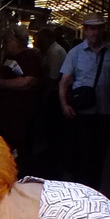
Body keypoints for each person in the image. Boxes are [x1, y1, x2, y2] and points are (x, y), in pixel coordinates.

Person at [59, 15, 110, 189]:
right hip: (82, 113)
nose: (95, 32)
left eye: (99, 28)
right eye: (92, 28)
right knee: (81, 154)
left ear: (103, 30)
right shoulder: (75, 53)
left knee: (99, 155)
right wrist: (65, 105)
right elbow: (64, 81)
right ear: (85, 30)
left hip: (104, 113)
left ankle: (94, 190)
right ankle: (80, 188)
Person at [0, 28, 41, 170]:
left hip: (20, 116)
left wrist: (2, 84)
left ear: (17, 41)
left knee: (20, 148)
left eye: (7, 41)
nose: (4, 45)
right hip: (6, 115)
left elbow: (28, 81)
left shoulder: (29, 57)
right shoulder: (9, 57)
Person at [32, 27, 68, 178]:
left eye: (39, 40)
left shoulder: (55, 52)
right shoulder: (50, 52)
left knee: (54, 127)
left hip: (55, 94)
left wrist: (44, 96)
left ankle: (55, 158)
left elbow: (53, 78)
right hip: (53, 92)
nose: (36, 43)